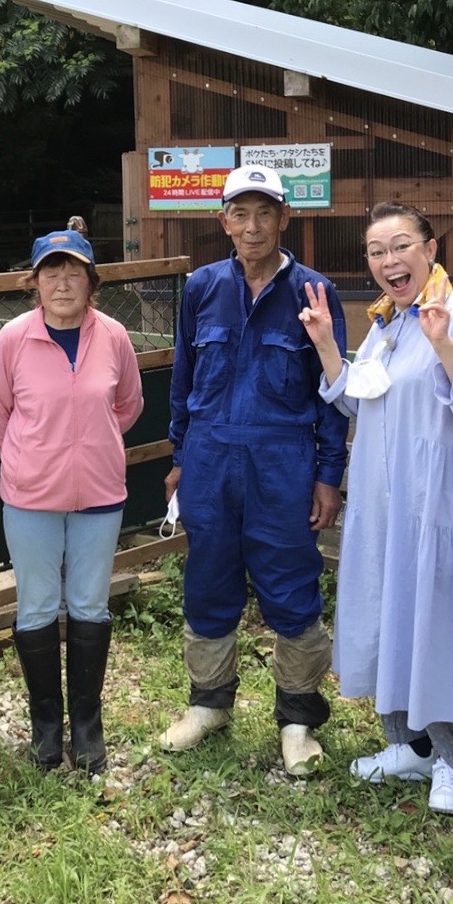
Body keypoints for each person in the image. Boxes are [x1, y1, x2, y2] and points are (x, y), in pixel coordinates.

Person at [298, 203, 453, 813]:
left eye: (401, 246)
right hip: (386, 508)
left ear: (429, 249)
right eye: (376, 251)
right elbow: (360, 400)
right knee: (389, 616)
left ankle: (450, 759)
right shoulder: (386, 324)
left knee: (440, 623)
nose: (389, 260)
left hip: (439, 507)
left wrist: (443, 342)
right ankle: (409, 746)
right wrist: (327, 346)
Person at [159, 164, 348, 776]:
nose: (253, 226)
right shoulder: (202, 288)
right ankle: (208, 704)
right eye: (240, 213)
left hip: (282, 463)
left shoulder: (314, 292)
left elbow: (332, 392)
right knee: (208, 580)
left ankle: (297, 720)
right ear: (224, 222)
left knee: (291, 585)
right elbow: (184, 378)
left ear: (284, 218)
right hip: (210, 459)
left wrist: (328, 474)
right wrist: (180, 457)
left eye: (265, 212)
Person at [0, 219, 144, 773]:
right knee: (35, 605)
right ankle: (46, 729)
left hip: (99, 491)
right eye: (50, 272)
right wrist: (37, 456)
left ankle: (87, 727)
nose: (61, 282)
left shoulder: (114, 336)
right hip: (31, 495)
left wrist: (89, 444)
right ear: (34, 282)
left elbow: (128, 404)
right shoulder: (14, 338)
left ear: (91, 281)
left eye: (73, 272)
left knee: (89, 605)